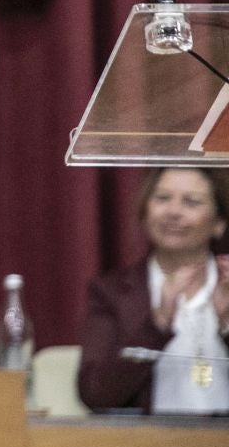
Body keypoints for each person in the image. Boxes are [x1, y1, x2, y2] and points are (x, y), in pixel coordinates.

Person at [77, 166, 229, 414]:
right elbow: (95, 393)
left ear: (219, 223)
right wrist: (156, 325)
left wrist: (227, 324)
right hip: (147, 446)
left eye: (191, 202)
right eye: (162, 198)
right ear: (144, 211)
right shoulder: (111, 292)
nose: (173, 212)